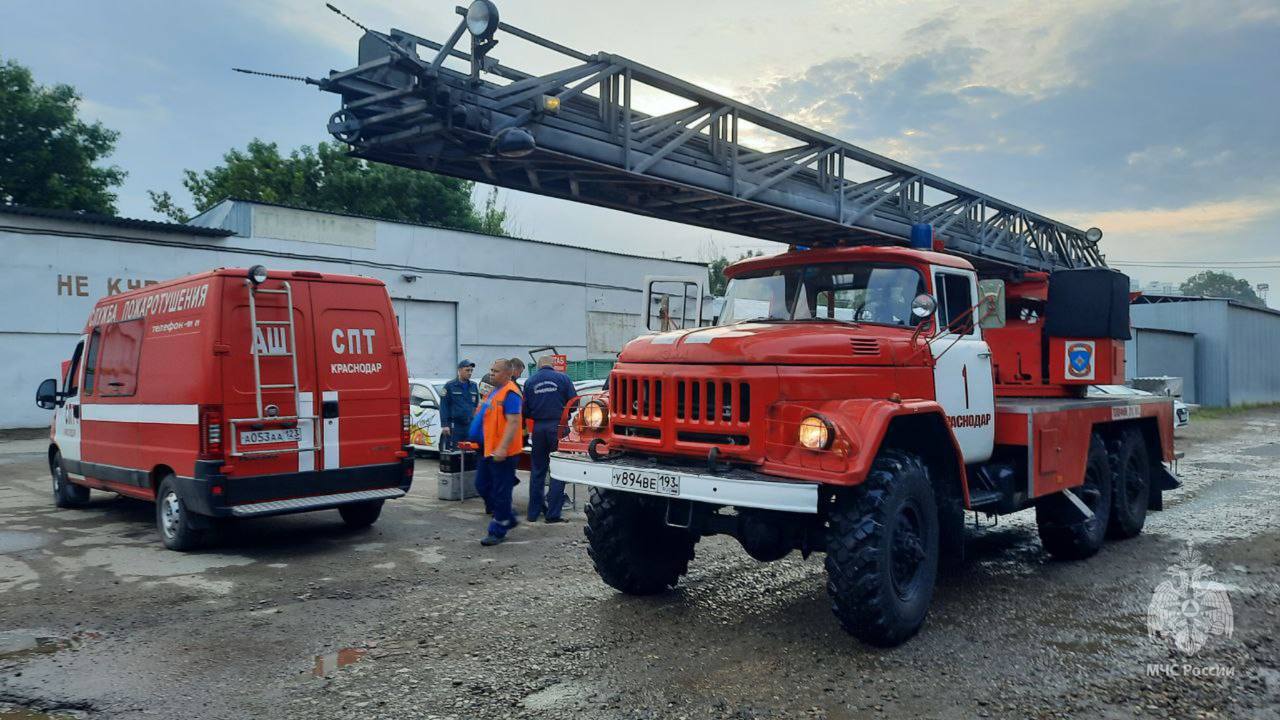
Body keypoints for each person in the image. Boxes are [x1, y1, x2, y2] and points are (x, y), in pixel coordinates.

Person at [471, 358, 525, 546]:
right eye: (491, 370)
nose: (492, 373)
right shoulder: (495, 392)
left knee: (501, 492)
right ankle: (508, 516)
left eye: (496, 371)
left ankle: (498, 529)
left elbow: (514, 422)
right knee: (481, 485)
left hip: (504, 452)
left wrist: (502, 447)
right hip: (489, 449)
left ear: (507, 373)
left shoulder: (511, 393)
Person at [524, 357, 578, 522]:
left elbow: (525, 410)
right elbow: (574, 403)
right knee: (558, 470)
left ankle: (533, 514)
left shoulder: (530, 381)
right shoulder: (563, 378)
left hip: (539, 428)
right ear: (552, 365)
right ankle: (553, 514)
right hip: (558, 427)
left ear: (539, 366)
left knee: (537, 470)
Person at [438, 360, 479, 450]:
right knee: (455, 453)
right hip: (455, 426)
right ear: (459, 370)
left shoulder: (474, 386)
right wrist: (445, 424)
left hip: (469, 425)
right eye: (467, 370)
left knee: (470, 452)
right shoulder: (450, 386)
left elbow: (476, 406)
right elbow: (444, 406)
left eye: (471, 371)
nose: (470, 373)